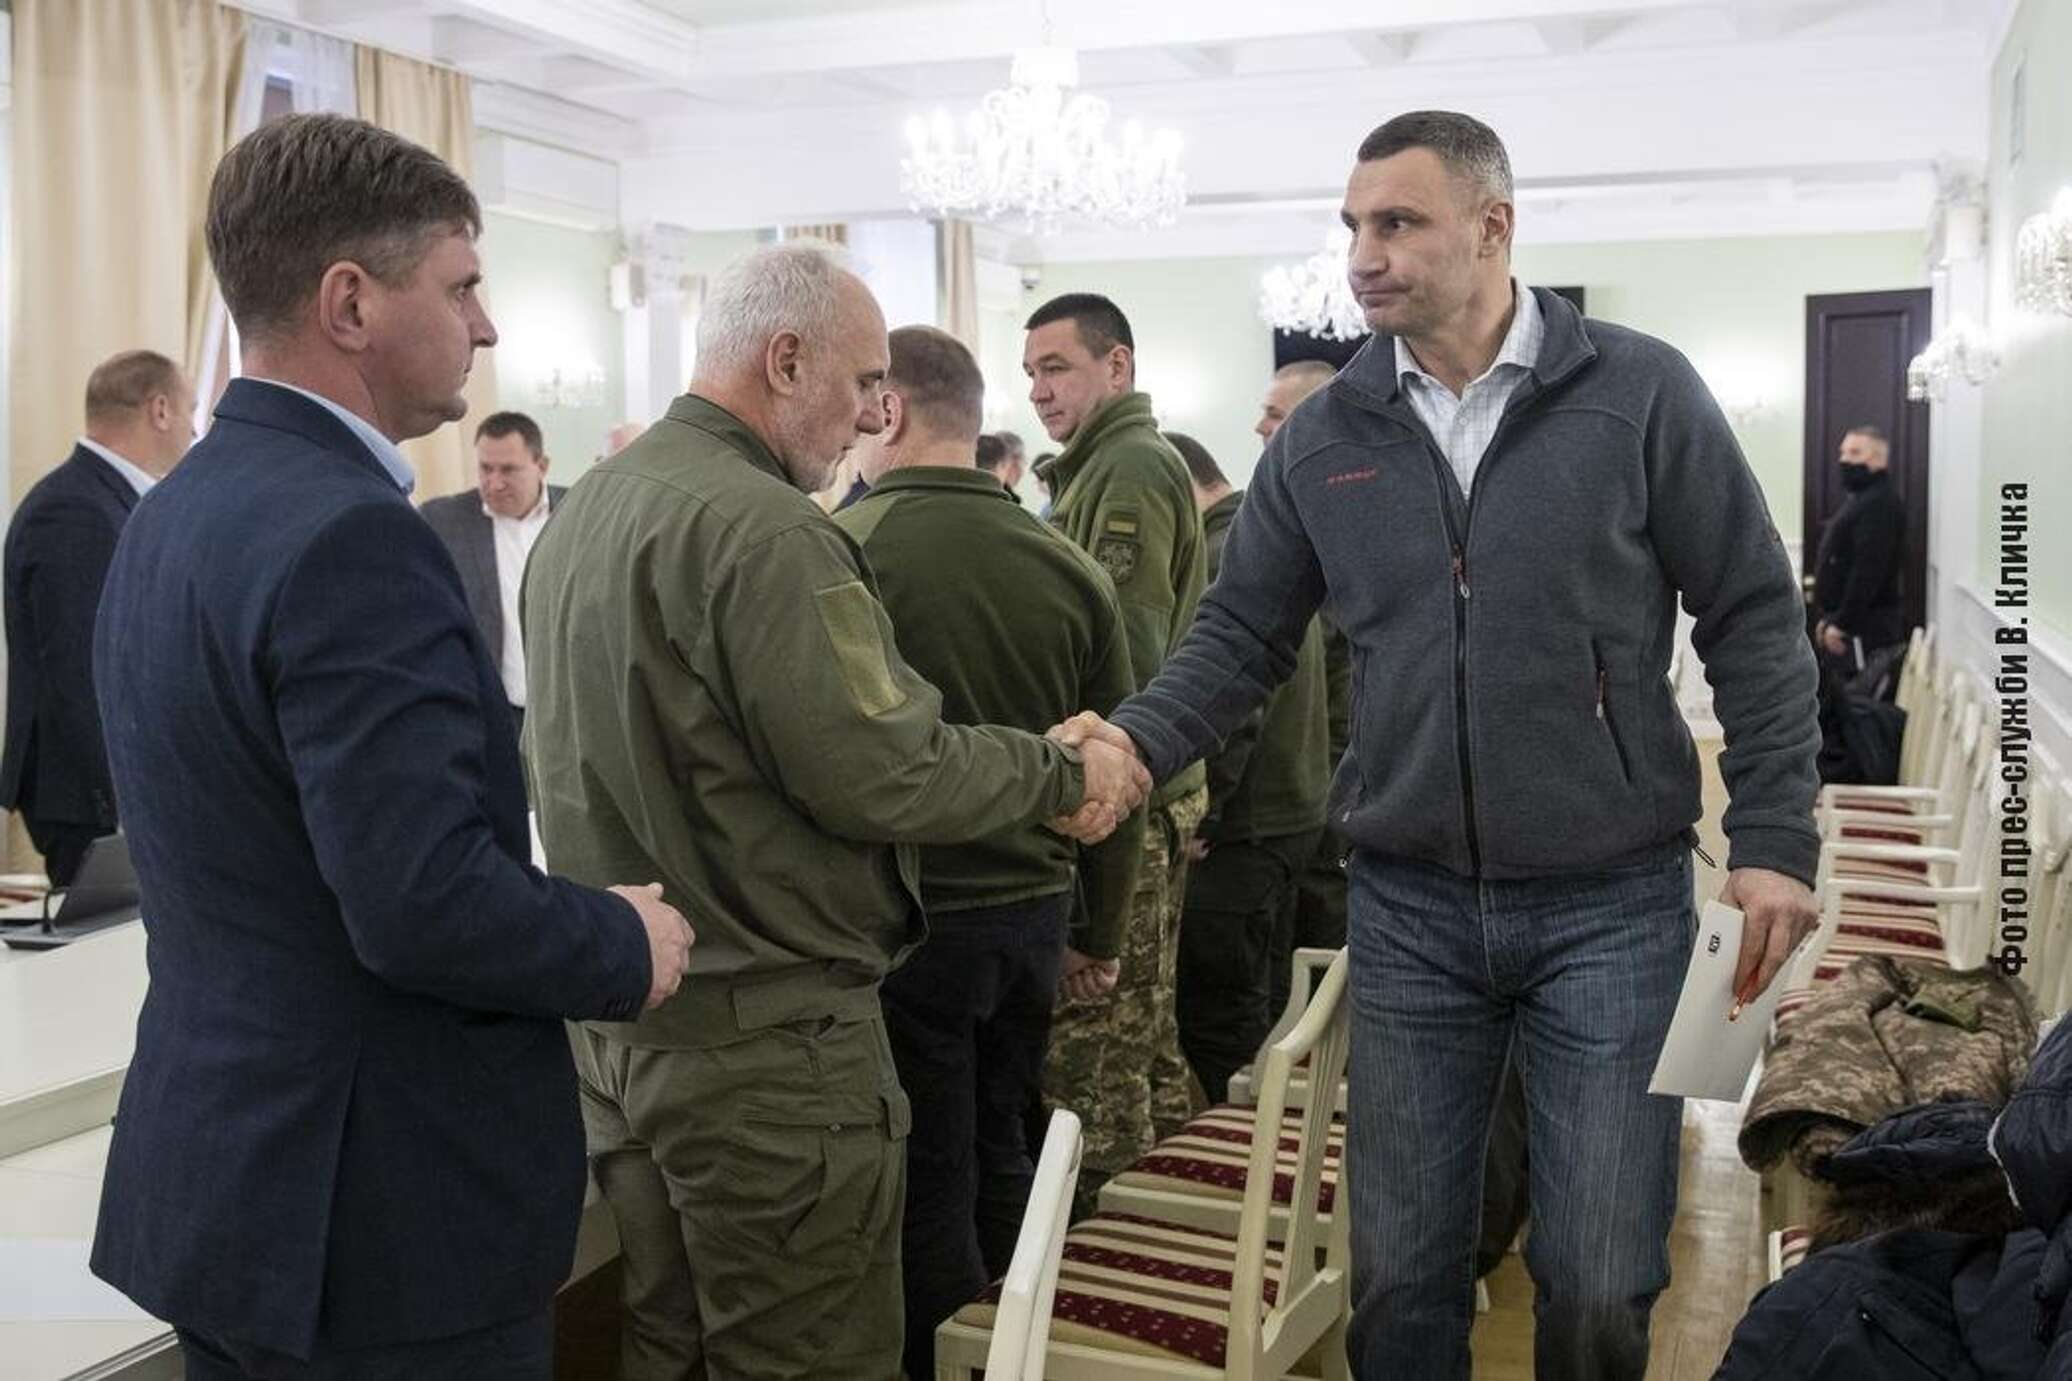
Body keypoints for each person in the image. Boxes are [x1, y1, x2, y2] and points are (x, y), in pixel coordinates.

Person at [1058, 110, 1822, 1380]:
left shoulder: (1636, 392)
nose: (1361, 254)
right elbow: (1236, 636)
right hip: (1408, 907)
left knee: (1596, 1278)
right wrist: (1132, 743)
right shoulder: (1324, 437)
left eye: (1397, 222)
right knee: (1402, 1278)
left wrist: (1774, 838)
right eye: (1352, 225)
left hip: (1611, 903)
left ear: (1491, 226)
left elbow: (1750, 613)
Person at [87, 113, 693, 1381]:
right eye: (462, 286)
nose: (488, 326)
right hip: (380, 1225)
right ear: (351, 303)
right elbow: (420, 902)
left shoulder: (169, 512)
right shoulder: (352, 535)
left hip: (231, 1189)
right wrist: (619, 940)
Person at [521, 245, 1148, 1380]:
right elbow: (887, 770)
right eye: (861, 382)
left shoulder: (587, 508)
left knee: (666, 1340)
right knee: (808, 1354)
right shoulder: (768, 530)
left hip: (622, 1032)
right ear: (785, 359)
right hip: (765, 1053)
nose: (870, 416)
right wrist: (1064, 772)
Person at [835, 325, 1143, 1379]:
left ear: (889, 410)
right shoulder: (1066, 561)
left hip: (908, 921)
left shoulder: (844, 549)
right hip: (1034, 916)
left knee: (929, 1174)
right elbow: (1117, 762)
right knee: (1006, 1145)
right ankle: (1021, 1354)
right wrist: (1100, 927)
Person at [1023, 290, 1210, 1207]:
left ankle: (1107, 1248)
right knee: (1147, 1041)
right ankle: (1191, 1229)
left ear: (1117, 366)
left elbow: (1122, 673)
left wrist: (1102, 805)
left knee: (1097, 1065)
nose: (1039, 391)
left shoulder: (1128, 467)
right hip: (1140, 789)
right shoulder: (1097, 467)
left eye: (1056, 367)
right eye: (1030, 373)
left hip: (1125, 791)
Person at [1162, 430, 1328, 1103]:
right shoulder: (1263, 546)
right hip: (1290, 817)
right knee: (1262, 1005)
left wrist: (1205, 813)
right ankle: (1267, 1141)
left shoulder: (1221, 552)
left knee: (1220, 1016)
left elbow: (1235, 709)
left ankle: (1238, 1152)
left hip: (1244, 829)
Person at [1, 350, 194, 886]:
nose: (194, 429)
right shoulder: (74, 510)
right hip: (88, 795)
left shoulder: (106, 501)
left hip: (102, 787)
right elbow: (82, 670)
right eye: (191, 410)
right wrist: (124, 799)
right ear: (160, 410)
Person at [1251, 360, 1349, 1016]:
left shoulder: (1344, 524)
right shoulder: (1290, 515)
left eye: (1275, 414)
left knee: (1322, 979)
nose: (1260, 427)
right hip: (1313, 793)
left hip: (1337, 795)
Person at [418, 411, 562, 738]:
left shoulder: (577, 510)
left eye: (508, 470)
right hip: (489, 712)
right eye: (486, 468)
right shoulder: (441, 521)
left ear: (542, 466)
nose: (494, 483)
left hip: (567, 709)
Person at [1812, 423, 1907, 666]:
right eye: (1843, 452)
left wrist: (1842, 624)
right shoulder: (1862, 499)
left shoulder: (1879, 503)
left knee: (1859, 689)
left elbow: (1868, 570)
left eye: (1855, 453)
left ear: (1878, 459)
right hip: (1849, 624)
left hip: (1863, 629)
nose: (1844, 460)